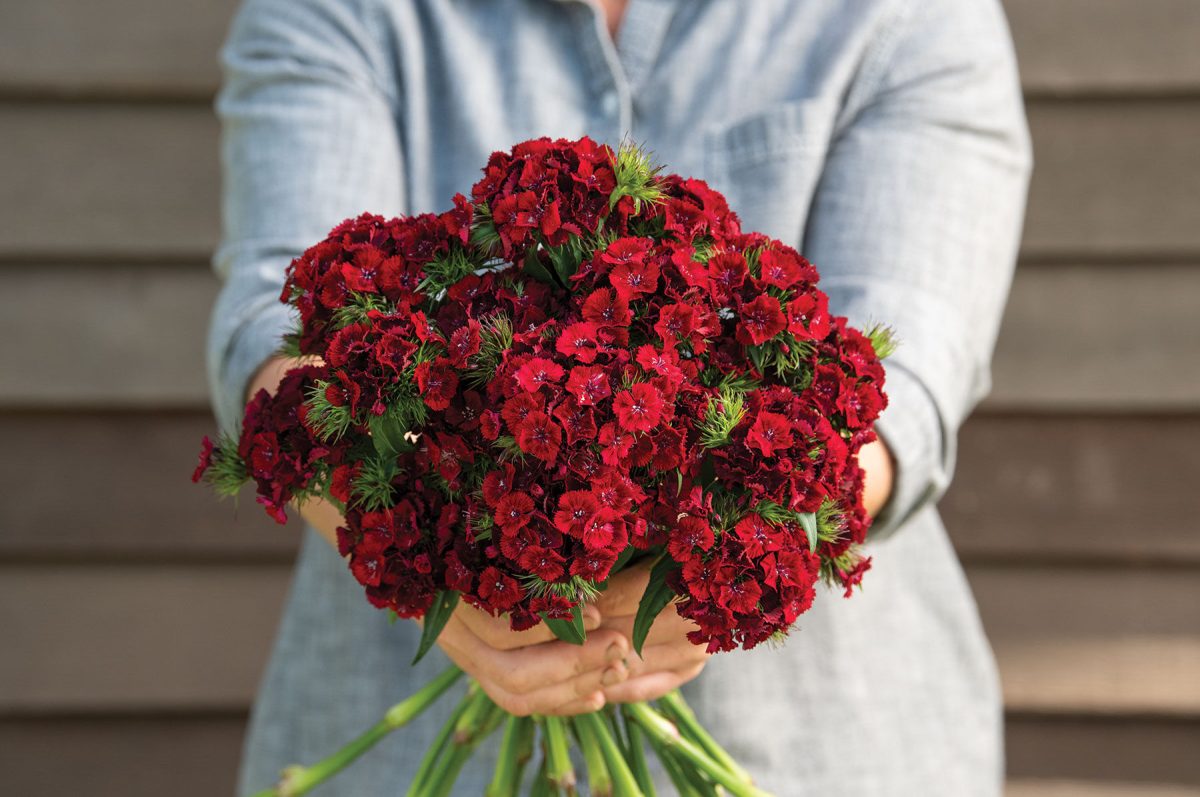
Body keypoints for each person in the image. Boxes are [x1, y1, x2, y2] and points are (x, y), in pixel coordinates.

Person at [206, 0, 1031, 793]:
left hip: (822, 748)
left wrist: (719, 551)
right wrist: (437, 578)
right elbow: (274, 332)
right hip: (384, 728)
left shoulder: (908, 11)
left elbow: (910, 375)